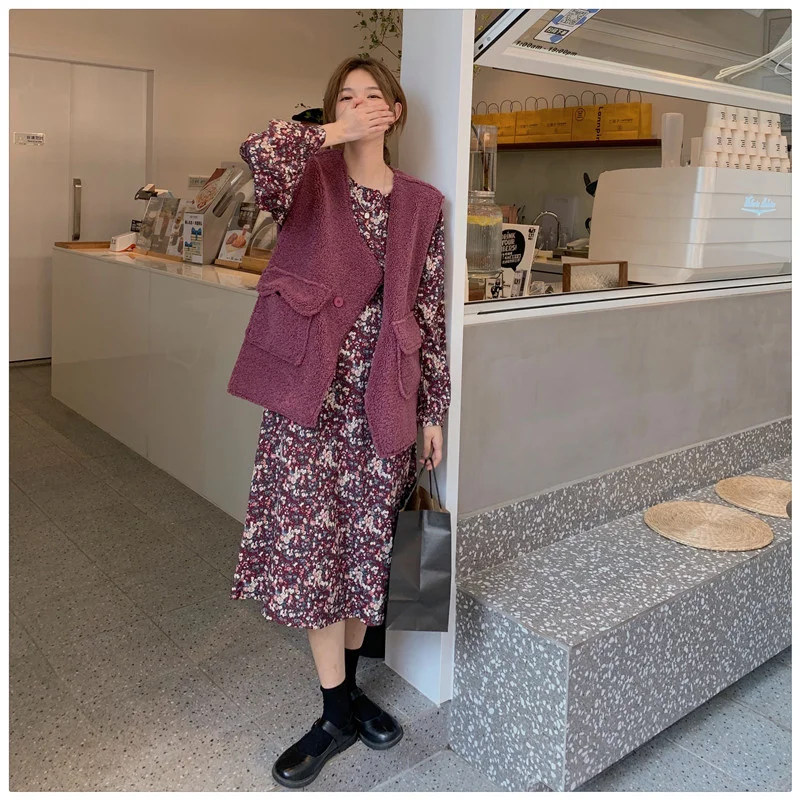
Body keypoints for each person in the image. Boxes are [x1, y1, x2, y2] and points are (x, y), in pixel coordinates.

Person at [227, 55, 450, 789]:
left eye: (372, 96)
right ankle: (333, 716)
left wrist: (434, 408)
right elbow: (257, 152)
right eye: (345, 98)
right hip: (308, 400)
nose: (359, 106)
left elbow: (429, 314)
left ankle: (348, 699)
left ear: (396, 110)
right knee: (314, 552)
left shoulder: (423, 203)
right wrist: (329, 132)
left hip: (383, 400)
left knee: (365, 553)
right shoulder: (307, 177)